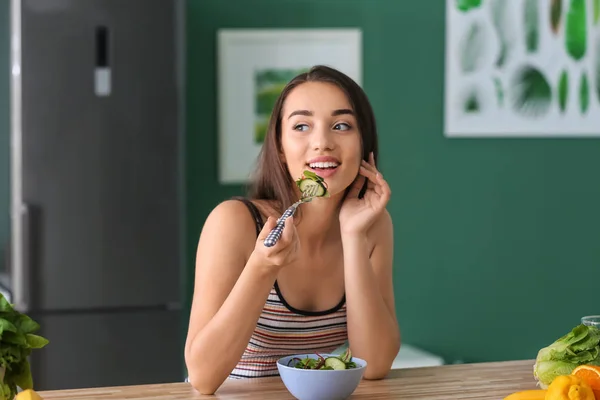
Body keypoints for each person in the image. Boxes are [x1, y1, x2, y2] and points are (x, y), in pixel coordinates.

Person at [184, 65, 400, 394]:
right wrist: (262, 266)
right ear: (281, 148)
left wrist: (353, 236)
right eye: (301, 126)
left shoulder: (373, 225)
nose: (322, 143)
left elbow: (376, 363)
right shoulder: (234, 222)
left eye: (341, 125)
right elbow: (202, 377)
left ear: (363, 145)